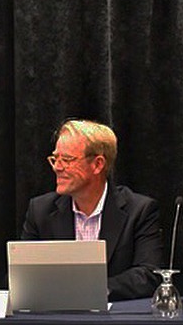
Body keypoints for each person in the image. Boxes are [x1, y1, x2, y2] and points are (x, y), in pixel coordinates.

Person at [21, 119, 165, 301]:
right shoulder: (40, 210)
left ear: (98, 164)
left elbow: (149, 274)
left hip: (115, 322)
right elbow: (22, 275)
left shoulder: (140, 210)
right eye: (55, 159)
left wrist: (93, 291)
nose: (57, 167)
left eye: (66, 160)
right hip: (56, 319)